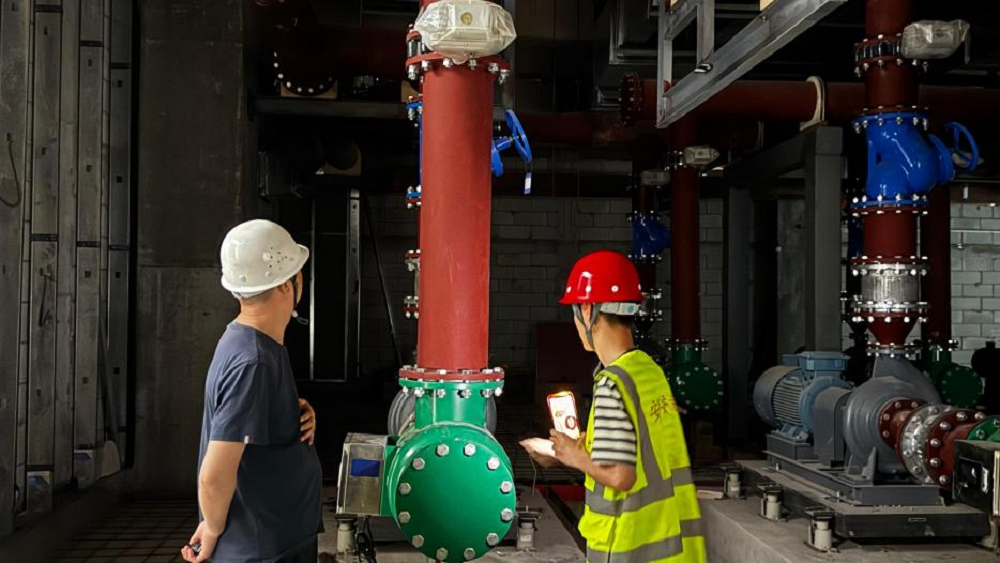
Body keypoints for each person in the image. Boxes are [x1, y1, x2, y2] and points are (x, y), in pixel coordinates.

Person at [521, 250, 706, 562]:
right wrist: (565, 453)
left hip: (629, 545)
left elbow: (621, 476)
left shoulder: (612, 384)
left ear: (587, 310)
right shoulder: (647, 371)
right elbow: (639, 450)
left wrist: (575, 457)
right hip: (675, 548)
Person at [182, 219, 323, 563]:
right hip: (262, 550)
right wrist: (211, 528)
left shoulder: (254, 345)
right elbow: (214, 476)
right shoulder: (253, 361)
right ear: (287, 284)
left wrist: (289, 413)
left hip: (278, 540)